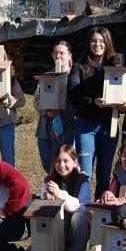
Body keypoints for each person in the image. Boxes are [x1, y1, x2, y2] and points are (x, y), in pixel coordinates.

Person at [68, 26, 119, 199]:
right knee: (85, 173)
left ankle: (100, 208)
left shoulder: (115, 66)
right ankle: (83, 207)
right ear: (88, 44)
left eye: (101, 41)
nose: (97, 44)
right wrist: (92, 101)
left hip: (108, 125)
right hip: (85, 125)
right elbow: (73, 95)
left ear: (107, 43)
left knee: (104, 173)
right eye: (94, 41)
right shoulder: (79, 67)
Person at [22, 145, 90, 251]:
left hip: (73, 231)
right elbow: (42, 210)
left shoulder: (82, 180)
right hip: (55, 232)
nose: (62, 165)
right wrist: (47, 200)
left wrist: (59, 194)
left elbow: (82, 208)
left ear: (75, 162)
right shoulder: (49, 180)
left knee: (79, 217)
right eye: (58, 161)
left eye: (66, 161)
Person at [34, 40, 75, 173]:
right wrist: (47, 112)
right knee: (48, 165)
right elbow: (37, 100)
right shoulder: (46, 76)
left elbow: (76, 102)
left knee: (63, 166)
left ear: (69, 55)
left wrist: (60, 114)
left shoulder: (74, 77)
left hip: (66, 128)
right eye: (55, 53)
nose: (58, 56)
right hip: (44, 128)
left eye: (61, 53)